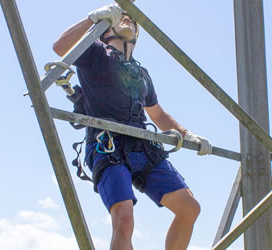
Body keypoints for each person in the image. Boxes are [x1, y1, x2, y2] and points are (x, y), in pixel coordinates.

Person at [53, 3, 212, 250]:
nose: (128, 19)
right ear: (106, 30)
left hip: (142, 147)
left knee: (189, 208)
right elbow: (60, 47)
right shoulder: (93, 52)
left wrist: (188, 135)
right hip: (107, 145)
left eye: (132, 20)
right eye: (122, 17)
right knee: (124, 218)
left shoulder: (141, 73)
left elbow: (158, 115)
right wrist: (92, 19)